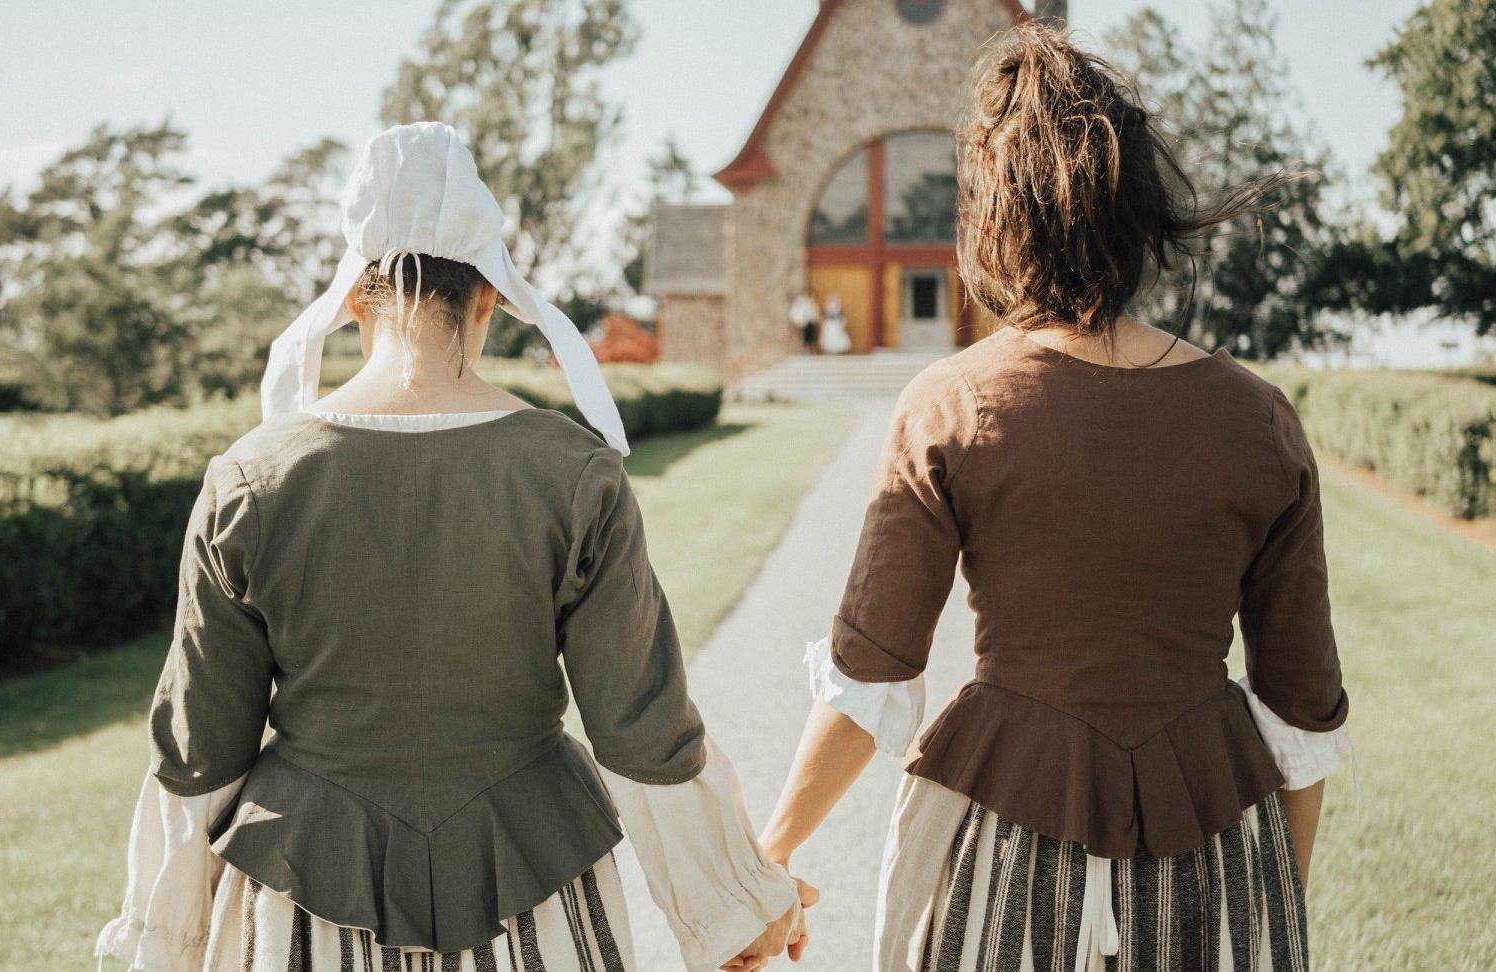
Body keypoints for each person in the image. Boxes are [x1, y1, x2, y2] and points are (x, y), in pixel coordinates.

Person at [95, 123, 815, 972]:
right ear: (488, 297)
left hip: (300, 910)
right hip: (535, 904)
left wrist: (166, 941)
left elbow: (198, 750)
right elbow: (640, 731)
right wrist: (733, 910)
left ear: (355, 296)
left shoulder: (249, 479)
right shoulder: (574, 473)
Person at [757, 25, 1352, 972]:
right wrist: (1271, 899)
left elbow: (871, 678)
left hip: (998, 845)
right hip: (1220, 847)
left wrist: (772, 857)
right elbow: (1302, 713)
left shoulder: (947, 405)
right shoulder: (1260, 421)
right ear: (1135, 215)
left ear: (997, 216)